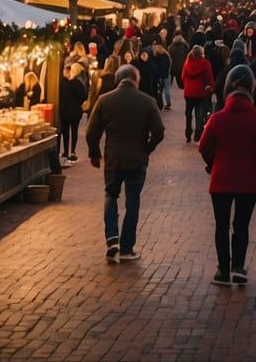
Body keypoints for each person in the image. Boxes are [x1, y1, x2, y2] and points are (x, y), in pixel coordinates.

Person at [198, 65, 256, 286]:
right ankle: (238, 266)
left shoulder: (217, 118)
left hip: (220, 178)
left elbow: (203, 146)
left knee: (221, 225)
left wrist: (213, 164)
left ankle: (222, 269)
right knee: (241, 225)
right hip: (248, 181)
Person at [85, 64, 165, 263]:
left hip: (113, 158)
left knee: (110, 195)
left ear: (117, 79)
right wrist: (147, 148)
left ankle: (112, 238)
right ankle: (127, 247)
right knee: (133, 201)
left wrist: (94, 153)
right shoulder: (148, 101)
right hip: (137, 159)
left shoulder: (105, 100)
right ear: (136, 80)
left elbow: (90, 131)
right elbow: (159, 131)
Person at [182, 44, 217, 144]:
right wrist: (211, 87)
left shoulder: (187, 62)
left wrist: (187, 85)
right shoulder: (205, 64)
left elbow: (183, 75)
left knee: (188, 114)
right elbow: (209, 78)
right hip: (201, 92)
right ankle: (198, 135)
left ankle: (188, 133)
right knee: (199, 115)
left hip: (189, 92)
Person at [60, 62, 89, 164]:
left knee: (65, 132)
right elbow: (84, 96)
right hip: (75, 111)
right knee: (74, 131)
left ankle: (65, 151)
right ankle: (72, 151)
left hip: (64, 111)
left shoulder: (62, 83)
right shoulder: (77, 83)